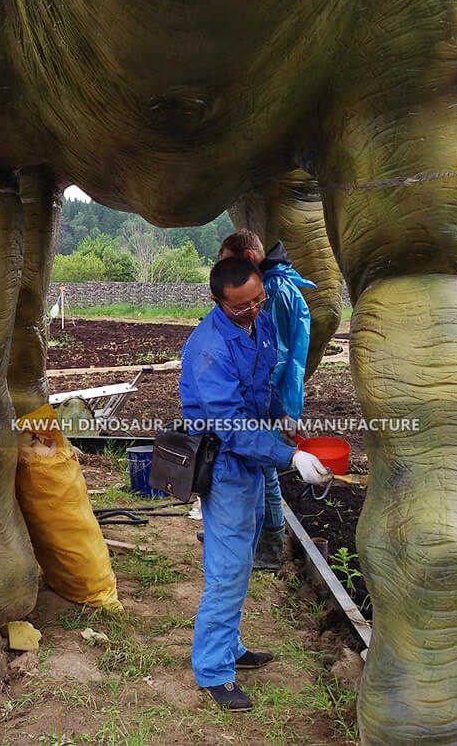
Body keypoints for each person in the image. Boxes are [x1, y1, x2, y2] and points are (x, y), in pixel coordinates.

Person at [180, 257, 330, 711]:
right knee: (226, 571)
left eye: (257, 301)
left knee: (242, 558)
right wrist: (291, 455)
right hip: (225, 463)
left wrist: (279, 417)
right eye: (241, 308)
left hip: (252, 457)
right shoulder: (208, 349)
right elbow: (232, 428)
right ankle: (212, 670)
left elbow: (261, 387)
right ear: (217, 302)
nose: (252, 312)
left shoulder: (259, 323)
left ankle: (230, 647)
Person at [219, 229, 315, 570]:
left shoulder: (271, 291)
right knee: (250, 465)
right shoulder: (276, 284)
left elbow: (272, 355)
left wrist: (261, 401)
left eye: (227, 265)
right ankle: (246, 535)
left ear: (247, 260)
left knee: (264, 469)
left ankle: (270, 547)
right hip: (270, 392)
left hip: (270, 395)